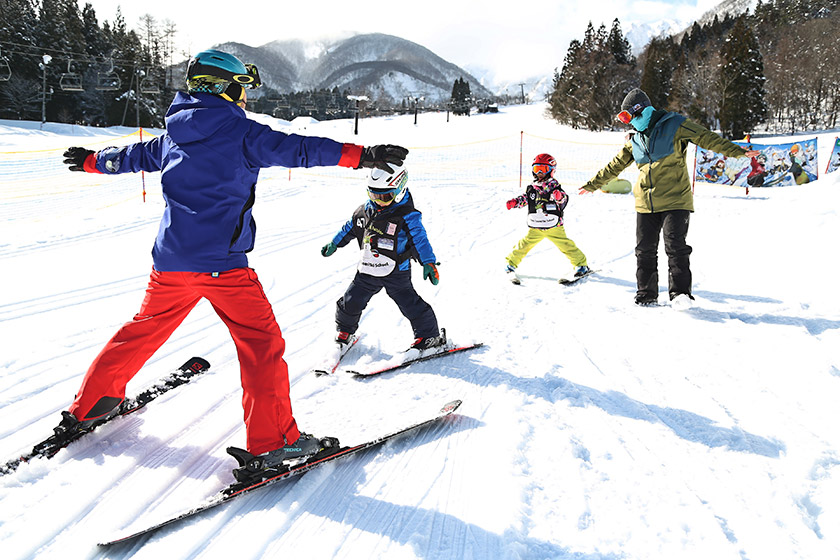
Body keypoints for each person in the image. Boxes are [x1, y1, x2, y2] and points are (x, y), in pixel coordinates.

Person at [58, 48, 408, 478]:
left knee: (142, 329)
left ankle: (92, 404)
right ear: (225, 88)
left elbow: (131, 158)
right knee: (262, 346)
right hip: (223, 267)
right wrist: (363, 156)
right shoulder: (240, 133)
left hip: (170, 265)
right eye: (241, 88)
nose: (244, 98)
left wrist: (92, 161)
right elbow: (300, 149)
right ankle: (275, 443)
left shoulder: (173, 136)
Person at [579, 88, 758, 306]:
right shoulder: (635, 140)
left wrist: (737, 151)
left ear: (640, 110)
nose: (627, 123)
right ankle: (646, 294)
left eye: (627, 116)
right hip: (646, 203)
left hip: (675, 199)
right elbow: (615, 165)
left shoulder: (675, 124)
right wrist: (593, 184)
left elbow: (705, 137)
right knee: (644, 250)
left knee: (676, 247)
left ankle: (680, 294)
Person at [320, 164, 444, 351]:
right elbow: (350, 227)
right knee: (351, 301)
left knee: (410, 304)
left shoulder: (407, 216)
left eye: (385, 197)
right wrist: (335, 243)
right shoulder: (364, 211)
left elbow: (420, 240)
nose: (378, 201)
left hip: (396, 272)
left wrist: (428, 262)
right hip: (368, 268)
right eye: (374, 195)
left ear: (400, 191)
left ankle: (429, 336)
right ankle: (345, 331)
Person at [504, 153, 590, 282]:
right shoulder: (532, 187)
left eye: (543, 169)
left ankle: (581, 265)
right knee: (524, 245)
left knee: (566, 245)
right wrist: (515, 202)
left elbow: (564, 199)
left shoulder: (554, 186)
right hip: (536, 225)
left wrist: (559, 197)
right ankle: (511, 264)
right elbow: (526, 198)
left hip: (553, 225)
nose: (539, 172)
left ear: (551, 170)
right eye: (536, 168)